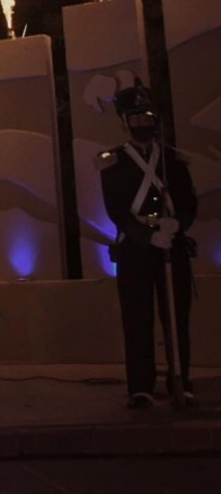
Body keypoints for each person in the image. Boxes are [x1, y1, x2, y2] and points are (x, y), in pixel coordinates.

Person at [96, 80, 198, 409]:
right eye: (135, 117)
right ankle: (140, 385)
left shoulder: (173, 159)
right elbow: (116, 210)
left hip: (172, 245)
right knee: (137, 317)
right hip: (136, 248)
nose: (142, 122)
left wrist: (178, 223)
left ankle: (180, 379)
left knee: (176, 317)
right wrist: (147, 234)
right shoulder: (113, 162)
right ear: (125, 121)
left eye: (147, 116)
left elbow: (188, 202)